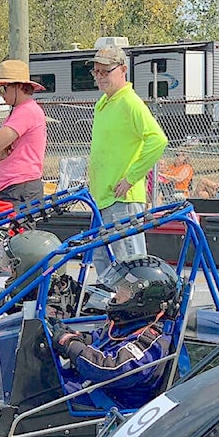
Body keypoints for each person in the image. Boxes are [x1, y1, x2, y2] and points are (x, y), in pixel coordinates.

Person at [47, 254, 182, 409]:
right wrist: (76, 336)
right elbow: (101, 339)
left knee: (39, 394)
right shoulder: (132, 323)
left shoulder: (151, 342)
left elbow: (109, 368)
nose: (116, 296)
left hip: (108, 405)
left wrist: (70, 344)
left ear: (142, 299)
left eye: (124, 291)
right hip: (91, 389)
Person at [87, 44, 168, 276]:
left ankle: (139, 309)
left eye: (106, 71)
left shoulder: (129, 101)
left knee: (131, 265)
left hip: (122, 200)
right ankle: (114, 307)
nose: (100, 77)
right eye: (96, 71)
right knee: (104, 262)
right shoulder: (104, 103)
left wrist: (131, 178)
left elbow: (157, 140)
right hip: (103, 199)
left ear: (123, 70)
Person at [0, 59, 48, 205]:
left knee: (17, 228)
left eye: (4, 88)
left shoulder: (26, 111)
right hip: (14, 186)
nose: (1, 93)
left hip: (19, 187)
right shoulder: (20, 111)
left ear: (18, 87)